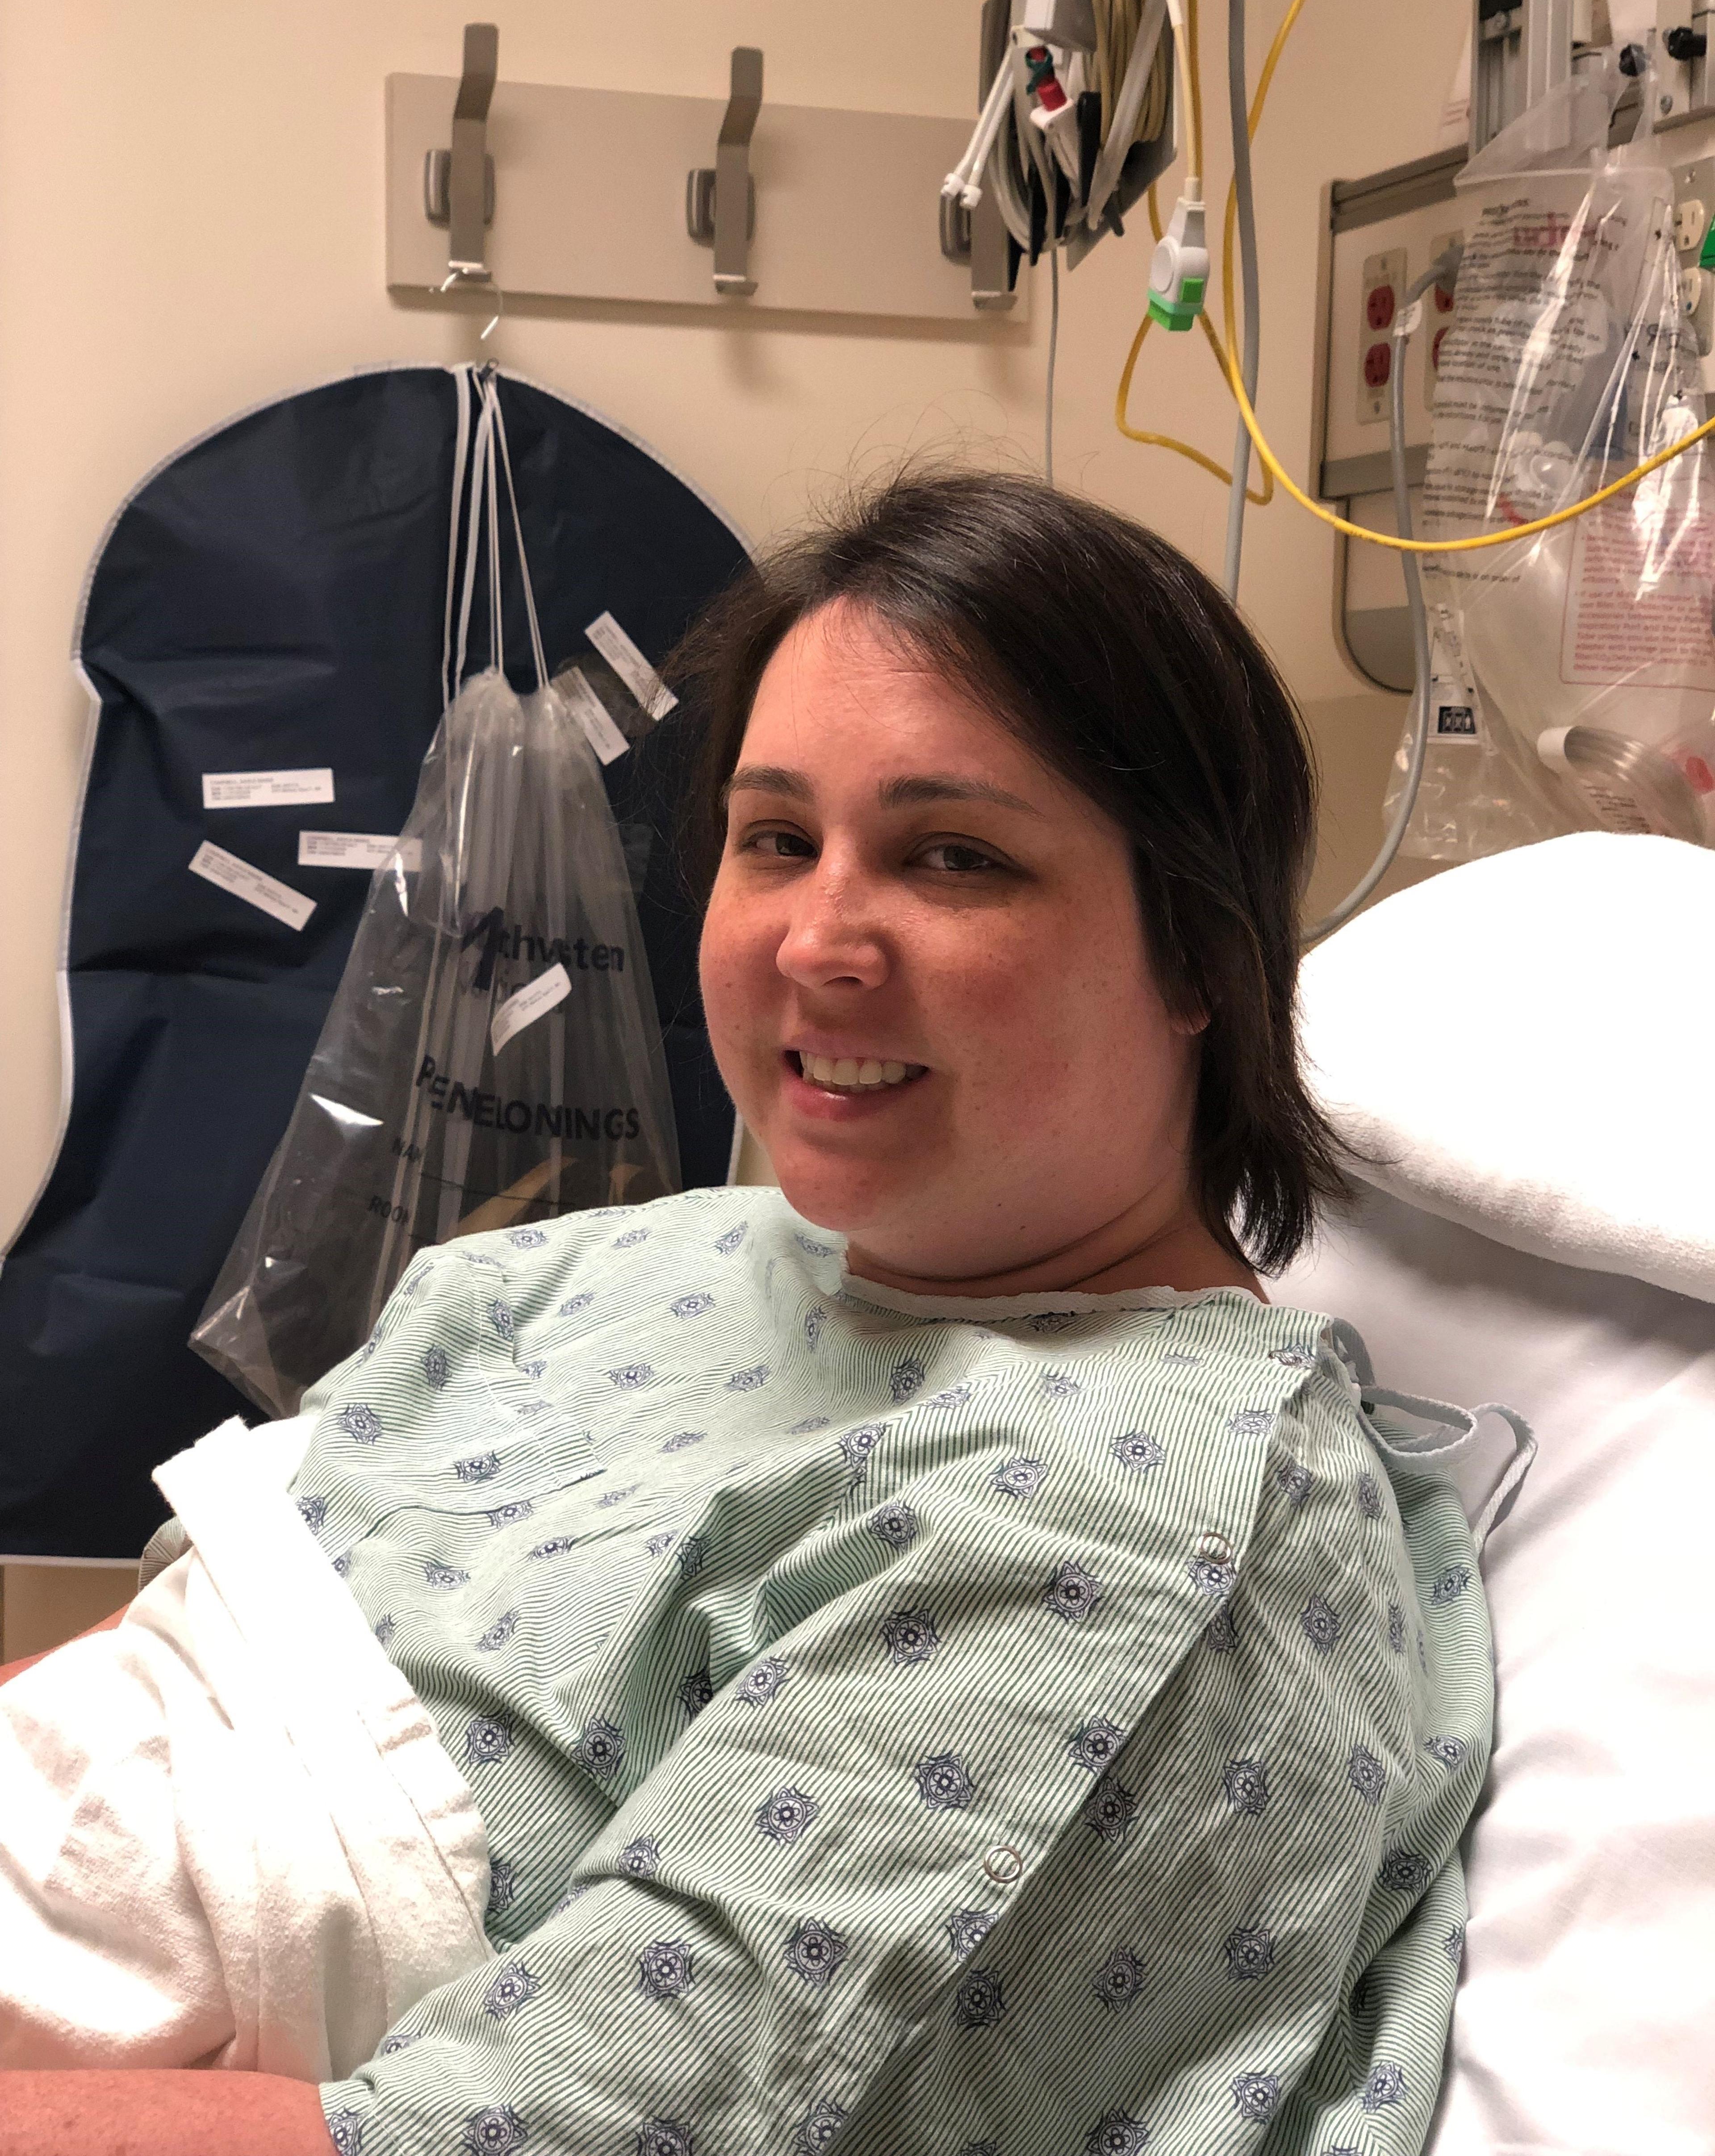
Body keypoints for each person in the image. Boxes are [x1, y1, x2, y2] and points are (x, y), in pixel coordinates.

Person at [0, 472, 1498, 2156]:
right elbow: (187, 1661)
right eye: (776, 839)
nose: (817, 942)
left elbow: (528, 2135)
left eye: (953, 856)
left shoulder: (1124, 1520)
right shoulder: (690, 1256)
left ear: (1202, 953)